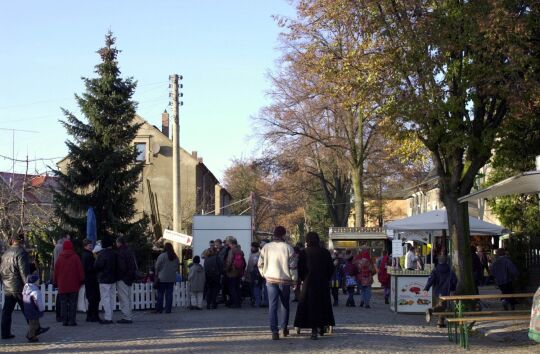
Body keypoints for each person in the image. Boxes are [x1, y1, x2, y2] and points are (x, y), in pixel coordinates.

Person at [294, 231, 335, 340]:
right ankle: (322, 326)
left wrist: (303, 279)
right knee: (322, 305)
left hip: (309, 283)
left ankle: (313, 329)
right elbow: (331, 268)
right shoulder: (325, 252)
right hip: (322, 283)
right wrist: (326, 278)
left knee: (310, 306)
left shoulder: (304, 253)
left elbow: (301, 269)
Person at [257, 226, 295, 340]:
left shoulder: (266, 247)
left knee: (272, 306)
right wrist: (294, 279)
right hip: (285, 280)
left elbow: (260, 263)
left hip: (270, 279)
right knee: (285, 305)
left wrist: (264, 274)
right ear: (283, 235)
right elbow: (293, 266)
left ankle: (274, 331)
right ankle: (284, 328)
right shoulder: (288, 248)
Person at [1, 233, 31, 340]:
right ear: (20, 241)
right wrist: (27, 284)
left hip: (7, 285)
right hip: (18, 286)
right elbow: (24, 271)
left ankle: (5, 333)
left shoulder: (5, 253)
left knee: (6, 311)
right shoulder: (21, 252)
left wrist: (4, 281)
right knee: (27, 309)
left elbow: (2, 270)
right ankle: (34, 331)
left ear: (12, 241)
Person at [54, 239, 84, 326]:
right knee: (73, 303)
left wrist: (55, 282)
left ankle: (64, 320)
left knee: (63, 303)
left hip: (62, 285)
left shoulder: (59, 258)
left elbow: (56, 272)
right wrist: (81, 280)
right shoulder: (75, 257)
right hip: (74, 285)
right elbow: (80, 270)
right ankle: (72, 320)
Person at [424, 255, 458, 327]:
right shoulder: (450, 270)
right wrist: (453, 289)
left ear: (439, 261)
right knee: (442, 306)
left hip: (437, 291)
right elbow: (454, 280)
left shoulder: (436, 270)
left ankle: (440, 322)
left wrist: (426, 288)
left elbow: (431, 279)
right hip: (446, 291)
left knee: (442, 306)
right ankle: (432, 311)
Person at [94, 236, 117, 324]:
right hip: (113, 278)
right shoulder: (114, 253)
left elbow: (97, 266)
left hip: (104, 279)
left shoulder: (102, 254)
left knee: (106, 298)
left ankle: (108, 317)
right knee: (111, 298)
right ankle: (110, 316)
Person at [116, 236, 137, 324]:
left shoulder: (121, 252)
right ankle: (129, 315)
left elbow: (122, 267)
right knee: (128, 297)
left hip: (123, 278)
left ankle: (126, 316)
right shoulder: (129, 251)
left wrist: (119, 275)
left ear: (119, 243)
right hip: (130, 277)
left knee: (123, 298)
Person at [22, 273, 49, 342]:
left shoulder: (26, 289)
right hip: (34, 309)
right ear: (34, 281)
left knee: (33, 323)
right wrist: (41, 309)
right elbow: (38, 301)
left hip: (28, 309)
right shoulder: (35, 291)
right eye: (38, 281)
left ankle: (32, 333)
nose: (39, 282)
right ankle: (30, 336)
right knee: (33, 324)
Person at [154, 243, 180, 313]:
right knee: (169, 295)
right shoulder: (175, 257)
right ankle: (168, 310)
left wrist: (156, 274)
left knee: (160, 294)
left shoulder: (162, 256)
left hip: (162, 278)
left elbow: (157, 266)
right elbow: (177, 266)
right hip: (171, 278)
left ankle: (159, 309)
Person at [82, 239, 100, 322]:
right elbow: (89, 268)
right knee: (94, 298)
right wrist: (96, 264)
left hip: (89, 278)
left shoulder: (87, 254)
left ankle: (91, 315)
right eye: (89, 245)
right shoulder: (88, 255)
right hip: (91, 278)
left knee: (92, 298)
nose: (91, 247)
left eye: (91, 245)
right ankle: (93, 315)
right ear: (85, 246)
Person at [52, 234, 70, 322]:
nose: (69, 240)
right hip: (62, 274)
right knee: (61, 296)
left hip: (59, 274)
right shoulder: (60, 247)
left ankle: (59, 315)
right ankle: (61, 315)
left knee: (60, 295)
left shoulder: (57, 247)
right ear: (63, 238)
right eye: (68, 238)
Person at [224, 237, 245, 308]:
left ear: (231, 243)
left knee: (232, 288)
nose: (227, 244)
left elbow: (229, 261)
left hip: (232, 272)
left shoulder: (231, 250)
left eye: (228, 243)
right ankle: (239, 302)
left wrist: (226, 269)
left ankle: (235, 303)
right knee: (237, 287)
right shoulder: (240, 250)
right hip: (239, 271)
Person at [246, 242, 262, 307]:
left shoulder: (258, 254)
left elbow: (257, 264)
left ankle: (257, 302)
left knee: (256, 288)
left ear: (256, 248)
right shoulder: (251, 254)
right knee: (251, 288)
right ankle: (253, 299)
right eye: (251, 247)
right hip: (250, 274)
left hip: (256, 274)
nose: (251, 248)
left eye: (253, 247)